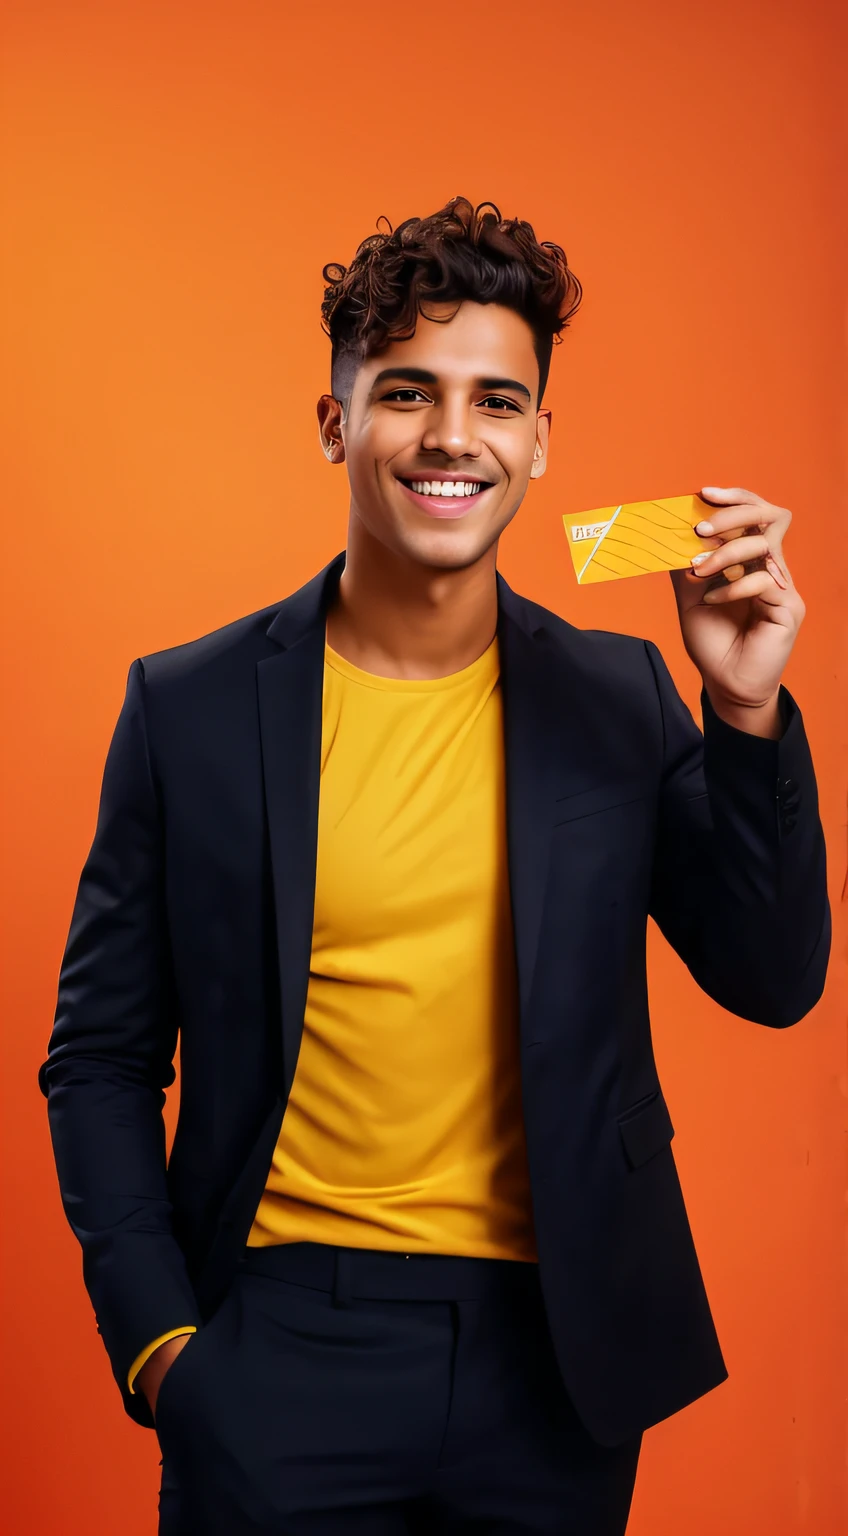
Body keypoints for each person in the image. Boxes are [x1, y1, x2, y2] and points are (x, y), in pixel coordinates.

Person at [40, 196, 830, 1535]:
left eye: (497, 402)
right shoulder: (188, 708)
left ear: (538, 443)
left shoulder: (622, 695)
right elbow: (100, 1055)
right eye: (409, 392)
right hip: (278, 1340)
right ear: (338, 424)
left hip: (557, 1358)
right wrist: (163, 1347)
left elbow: (771, 978)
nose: (454, 436)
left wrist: (744, 712)